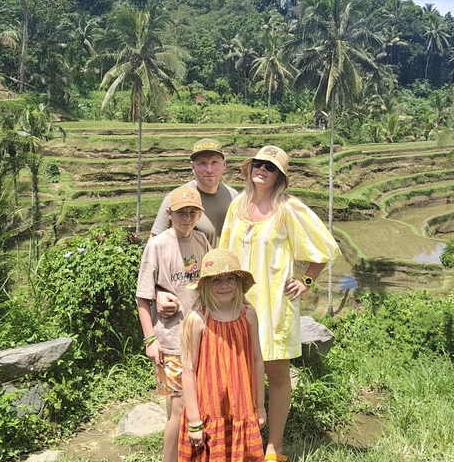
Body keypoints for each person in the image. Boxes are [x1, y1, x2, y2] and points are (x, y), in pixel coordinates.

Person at [219, 146, 340, 462]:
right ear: (249, 169)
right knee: (239, 372)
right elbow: (222, 254)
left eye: (269, 167)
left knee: (277, 375)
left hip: (274, 307)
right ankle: (244, 439)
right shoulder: (236, 207)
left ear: (279, 177)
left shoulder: (289, 210)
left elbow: (324, 248)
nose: (261, 170)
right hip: (237, 305)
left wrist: (306, 281)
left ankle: (274, 445)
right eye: (257, 164)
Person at [136, 187, 212, 462]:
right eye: (180, 212)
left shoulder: (202, 241)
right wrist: (150, 340)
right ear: (169, 213)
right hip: (170, 341)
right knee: (180, 408)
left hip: (201, 336)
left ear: (200, 214)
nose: (186, 217)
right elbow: (142, 297)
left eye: (193, 212)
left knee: (185, 403)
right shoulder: (157, 246)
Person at [178, 249, 266, 462]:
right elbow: (188, 371)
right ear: (205, 285)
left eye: (229, 279)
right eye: (215, 280)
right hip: (209, 408)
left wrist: (260, 405)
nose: (224, 285)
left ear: (238, 282)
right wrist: (194, 420)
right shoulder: (198, 319)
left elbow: (256, 360)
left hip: (242, 405)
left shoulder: (249, 314)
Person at [151, 138, 238, 249]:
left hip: (224, 264)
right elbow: (154, 243)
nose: (209, 169)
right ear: (193, 167)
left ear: (224, 165)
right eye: (202, 163)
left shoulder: (233, 197)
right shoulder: (176, 198)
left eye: (214, 162)